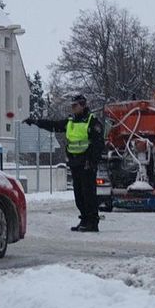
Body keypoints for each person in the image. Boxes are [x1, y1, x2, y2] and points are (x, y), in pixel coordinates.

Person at [23, 94, 105, 232]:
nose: (73, 108)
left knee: (88, 193)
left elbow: (98, 143)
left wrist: (91, 161)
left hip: (86, 163)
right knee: (79, 194)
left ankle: (92, 221)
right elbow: (54, 125)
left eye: (75, 106)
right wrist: (36, 122)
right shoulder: (70, 121)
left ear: (83, 105)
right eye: (72, 106)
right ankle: (84, 219)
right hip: (74, 162)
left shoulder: (92, 121)